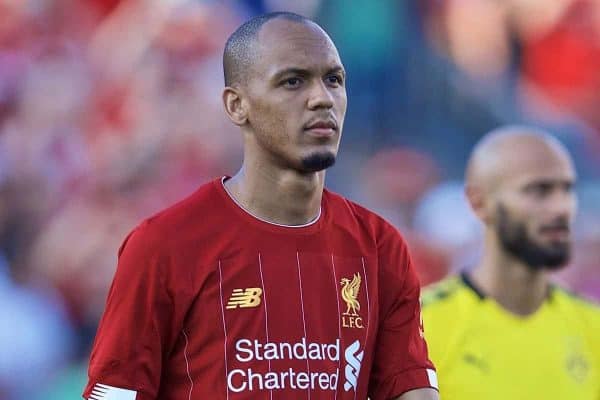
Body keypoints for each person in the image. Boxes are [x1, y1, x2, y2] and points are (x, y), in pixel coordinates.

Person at [83, 12, 439, 400]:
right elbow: (115, 393)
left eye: (333, 80)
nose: (322, 98)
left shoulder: (379, 246)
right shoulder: (163, 246)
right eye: (292, 81)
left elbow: (413, 391)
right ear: (237, 106)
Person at [421, 126, 600, 399]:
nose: (561, 208)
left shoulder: (592, 328)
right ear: (479, 203)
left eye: (567, 189)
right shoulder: (419, 326)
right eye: (539, 191)